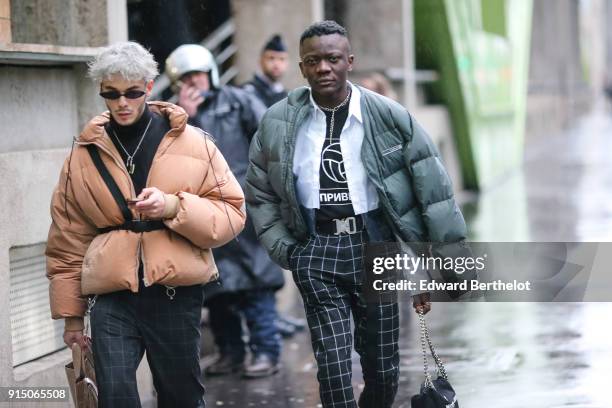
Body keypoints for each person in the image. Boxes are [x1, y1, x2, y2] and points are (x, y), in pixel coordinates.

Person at [245, 21, 470, 407]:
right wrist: (288, 251)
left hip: (375, 247)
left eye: (332, 59)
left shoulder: (388, 116)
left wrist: (442, 266)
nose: (323, 68)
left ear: (349, 61)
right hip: (316, 251)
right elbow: (260, 190)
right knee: (332, 367)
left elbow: (433, 193)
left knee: (383, 371)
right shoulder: (279, 120)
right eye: (313, 61)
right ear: (302, 68)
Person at [45, 42, 246, 408]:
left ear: (149, 88)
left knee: (180, 396)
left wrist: (172, 206)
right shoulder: (82, 154)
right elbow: (67, 239)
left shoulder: (194, 142)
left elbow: (232, 213)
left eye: (132, 93)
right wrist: (72, 319)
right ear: (101, 91)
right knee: (116, 397)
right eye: (112, 93)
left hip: (173, 294)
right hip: (110, 298)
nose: (122, 102)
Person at [166, 44, 284, 378]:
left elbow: (271, 140)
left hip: (243, 207)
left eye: (198, 75)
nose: (194, 82)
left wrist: (266, 192)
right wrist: (183, 116)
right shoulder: (173, 114)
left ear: (211, 73)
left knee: (255, 284)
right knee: (215, 288)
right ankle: (230, 352)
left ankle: (266, 351)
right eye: (186, 77)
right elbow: (168, 155)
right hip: (202, 213)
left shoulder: (239, 100)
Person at [243, 34, 289, 107]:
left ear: (287, 64)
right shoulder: (247, 92)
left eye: (281, 59)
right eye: (271, 58)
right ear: (261, 61)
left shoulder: (288, 97)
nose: (276, 64)